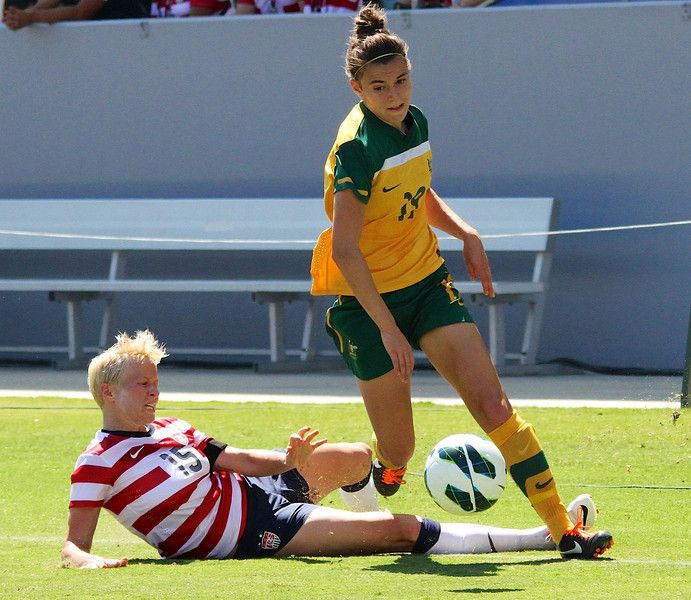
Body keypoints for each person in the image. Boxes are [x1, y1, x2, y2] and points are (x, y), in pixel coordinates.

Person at [309, 4, 613, 560]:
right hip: (364, 304)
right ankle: (374, 477)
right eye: (379, 87)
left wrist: (466, 233)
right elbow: (347, 250)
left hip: (426, 285)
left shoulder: (415, 121)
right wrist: (389, 330)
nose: (394, 94)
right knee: (400, 448)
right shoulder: (355, 147)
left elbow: (415, 195)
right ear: (355, 87)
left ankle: (565, 531)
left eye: (401, 80)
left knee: (493, 404)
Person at [61, 329, 604, 568]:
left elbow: (237, 460)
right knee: (403, 530)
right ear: (108, 392)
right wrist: (89, 563)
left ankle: (361, 524)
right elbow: (72, 546)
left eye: (157, 382)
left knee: (355, 458)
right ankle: (540, 536)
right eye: (143, 384)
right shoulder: (95, 464)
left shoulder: (173, 426)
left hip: (258, 491)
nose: (155, 392)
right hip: (252, 533)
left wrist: (290, 461)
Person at [2, 0, 150, 30]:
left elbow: (80, 13)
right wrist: (17, 17)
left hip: (124, 47)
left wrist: (30, 18)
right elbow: (47, 2)